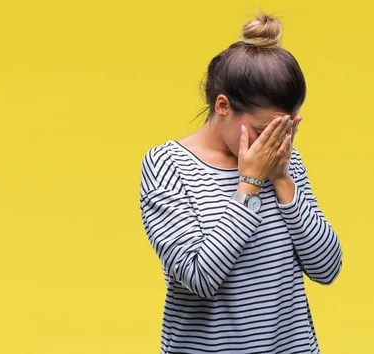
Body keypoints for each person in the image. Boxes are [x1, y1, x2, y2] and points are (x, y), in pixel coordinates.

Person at [139, 13, 343, 354]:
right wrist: (248, 183)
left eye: (287, 130)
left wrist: (281, 179)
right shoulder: (166, 165)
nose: (276, 144)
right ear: (223, 106)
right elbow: (199, 278)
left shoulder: (286, 162)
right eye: (265, 132)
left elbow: (327, 268)